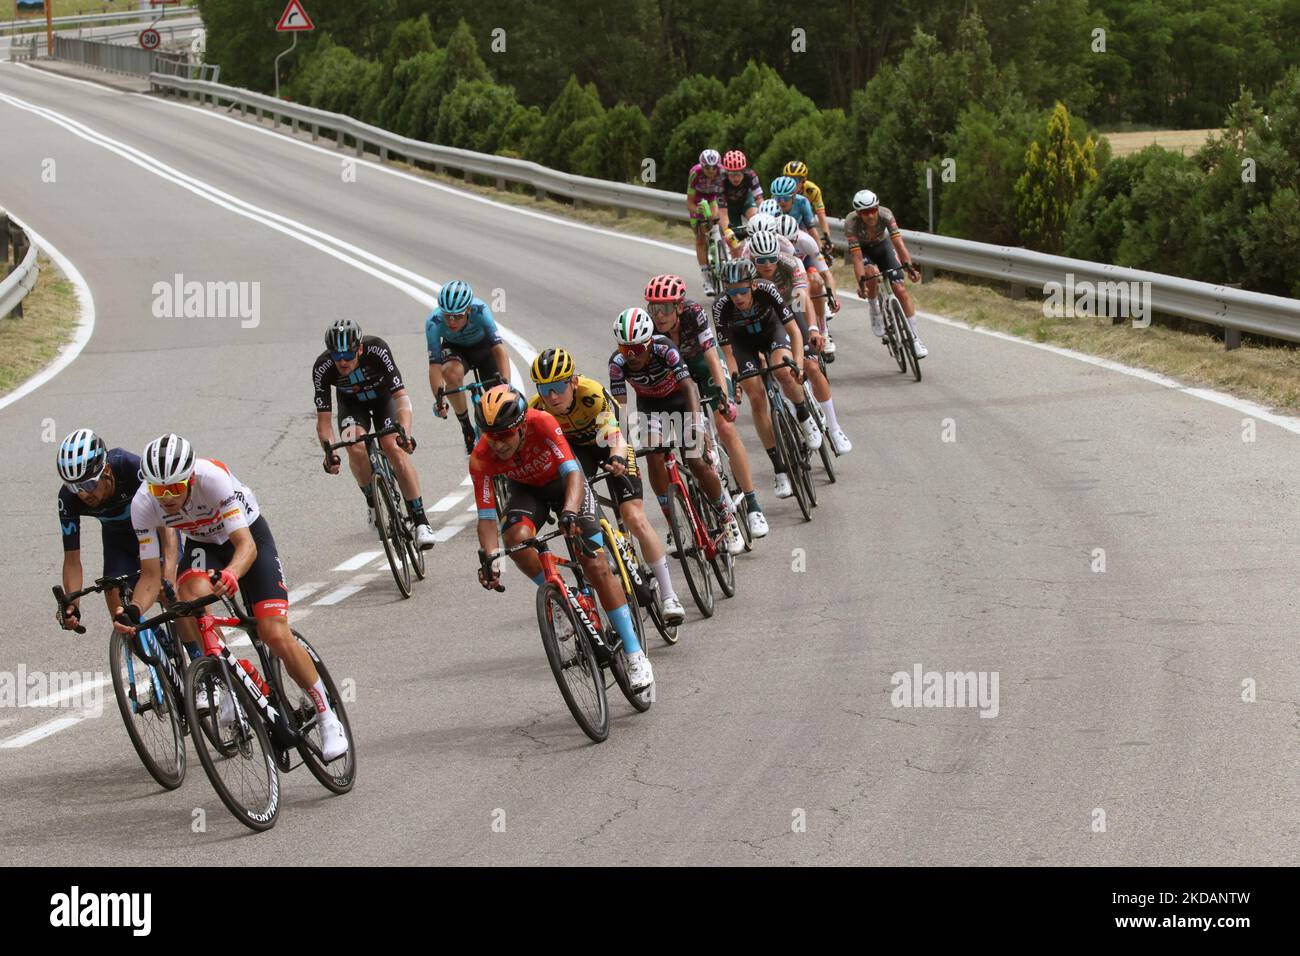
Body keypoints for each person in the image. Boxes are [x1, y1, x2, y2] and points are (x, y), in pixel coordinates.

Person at [117, 434, 349, 760]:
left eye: (173, 488)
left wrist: (231, 574)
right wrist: (133, 612)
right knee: (186, 599)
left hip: (247, 538)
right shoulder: (142, 505)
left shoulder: (212, 479)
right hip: (204, 546)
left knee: (273, 633)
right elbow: (151, 576)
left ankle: (326, 716)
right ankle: (229, 675)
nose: (166, 497)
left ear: (190, 479)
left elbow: (246, 547)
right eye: (159, 490)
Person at [471, 386, 654, 691]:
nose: (497, 444)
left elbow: (572, 473)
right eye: (491, 436)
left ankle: (635, 655)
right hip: (528, 492)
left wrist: (569, 512)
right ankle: (561, 598)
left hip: (567, 484)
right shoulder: (481, 457)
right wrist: (491, 558)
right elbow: (487, 518)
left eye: (504, 435)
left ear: (520, 427)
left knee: (594, 565)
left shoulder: (541, 422)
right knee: (514, 538)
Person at [529, 347, 687, 625]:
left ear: (573, 382)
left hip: (607, 445)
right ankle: (608, 544)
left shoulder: (590, 394)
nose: (552, 396)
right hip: (578, 454)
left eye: (558, 387)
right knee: (578, 503)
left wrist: (616, 456)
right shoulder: (537, 409)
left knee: (635, 518)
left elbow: (615, 436)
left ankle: (669, 595)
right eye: (545, 389)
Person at [642, 274, 769, 538]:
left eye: (665, 308)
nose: (659, 315)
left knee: (725, 426)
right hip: (675, 374)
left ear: (678, 306)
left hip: (701, 362)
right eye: (654, 308)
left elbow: (712, 355)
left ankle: (753, 504)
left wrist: (724, 395)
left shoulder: (694, 313)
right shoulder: (650, 326)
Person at [609, 308, 744, 555]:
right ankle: (674, 524)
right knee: (653, 454)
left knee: (695, 460)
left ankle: (727, 517)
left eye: (637, 349)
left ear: (649, 342)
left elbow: (690, 388)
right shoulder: (617, 365)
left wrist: (694, 424)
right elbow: (620, 409)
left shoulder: (665, 349)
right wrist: (621, 446)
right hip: (651, 409)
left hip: (682, 402)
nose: (631, 356)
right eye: (624, 349)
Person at [313, 319, 435, 549]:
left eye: (348, 355)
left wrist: (405, 434)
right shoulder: (322, 367)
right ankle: (372, 499)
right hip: (352, 406)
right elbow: (324, 422)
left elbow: (401, 398)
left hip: (383, 400)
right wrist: (328, 451)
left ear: (359, 348)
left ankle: (421, 521)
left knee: (393, 447)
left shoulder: (377, 349)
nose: (342, 362)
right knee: (354, 445)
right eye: (337, 357)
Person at [710, 258, 822, 499]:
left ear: (752, 285)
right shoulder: (721, 306)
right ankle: (779, 469)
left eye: (741, 290)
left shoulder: (767, 289)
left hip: (773, 332)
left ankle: (804, 415)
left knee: (782, 370)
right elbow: (728, 353)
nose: (737, 297)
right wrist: (734, 383)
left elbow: (793, 330)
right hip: (743, 345)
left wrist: (799, 365)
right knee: (756, 397)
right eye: (731, 291)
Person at [54, 428, 179, 632]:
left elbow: (166, 523)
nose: (83, 494)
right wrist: (72, 604)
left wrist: (169, 572)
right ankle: (148, 647)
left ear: (107, 470)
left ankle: (196, 653)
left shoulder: (129, 467)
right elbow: (72, 560)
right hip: (117, 541)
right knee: (116, 604)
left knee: (169, 593)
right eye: (74, 487)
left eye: (88, 483)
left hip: (155, 531)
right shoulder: (68, 498)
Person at [742, 232, 851, 454]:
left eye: (771, 258)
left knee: (811, 366)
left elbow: (803, 297)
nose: (767, 265)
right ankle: (796, 417)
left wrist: (813, 330)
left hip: (793, 308)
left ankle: (834, 428)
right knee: (779, 370)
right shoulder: (746, 272)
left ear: (778, 254)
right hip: (766, 318)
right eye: (761, 260)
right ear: (753, 259)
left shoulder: (791, 263)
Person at [425, 280, 511, 453]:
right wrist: (439, 400)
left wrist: (506, 385)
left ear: (469, 310)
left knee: (499, 397)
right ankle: (466, 427)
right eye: (447, 315)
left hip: (483, 349)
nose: (451, 321)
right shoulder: (434, 322)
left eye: (457, 315)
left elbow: (499, 350)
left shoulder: (480, 310)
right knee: (449, 373)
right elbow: (434, 367)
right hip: (456, 350)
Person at [845, 189, 928, 358]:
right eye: (865, 212)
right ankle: (875, 309)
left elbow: (898, 243)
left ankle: (915, 338)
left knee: (901, 290)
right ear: (858, 213)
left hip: (883, 247)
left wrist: (909, 267)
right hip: (864, 251)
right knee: (870, 272)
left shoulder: (886, 215)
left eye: (873, 210)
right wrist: (861, 283)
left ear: (877, 207)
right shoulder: (850, 223)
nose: (870, 215)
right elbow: (857, 257)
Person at [685, 148, 729, 295]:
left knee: (716, 221)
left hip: (712, 200)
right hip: (698, 202)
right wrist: (697, 211)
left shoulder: (723, 173)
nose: (711, 171)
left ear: (719, 166)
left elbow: (725, 194)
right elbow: (689, 203)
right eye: (707, 168)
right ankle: (706, 279)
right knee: (700, 239)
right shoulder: (695, 174)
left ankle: (720, 248)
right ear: (702, 166)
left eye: (714, 167)